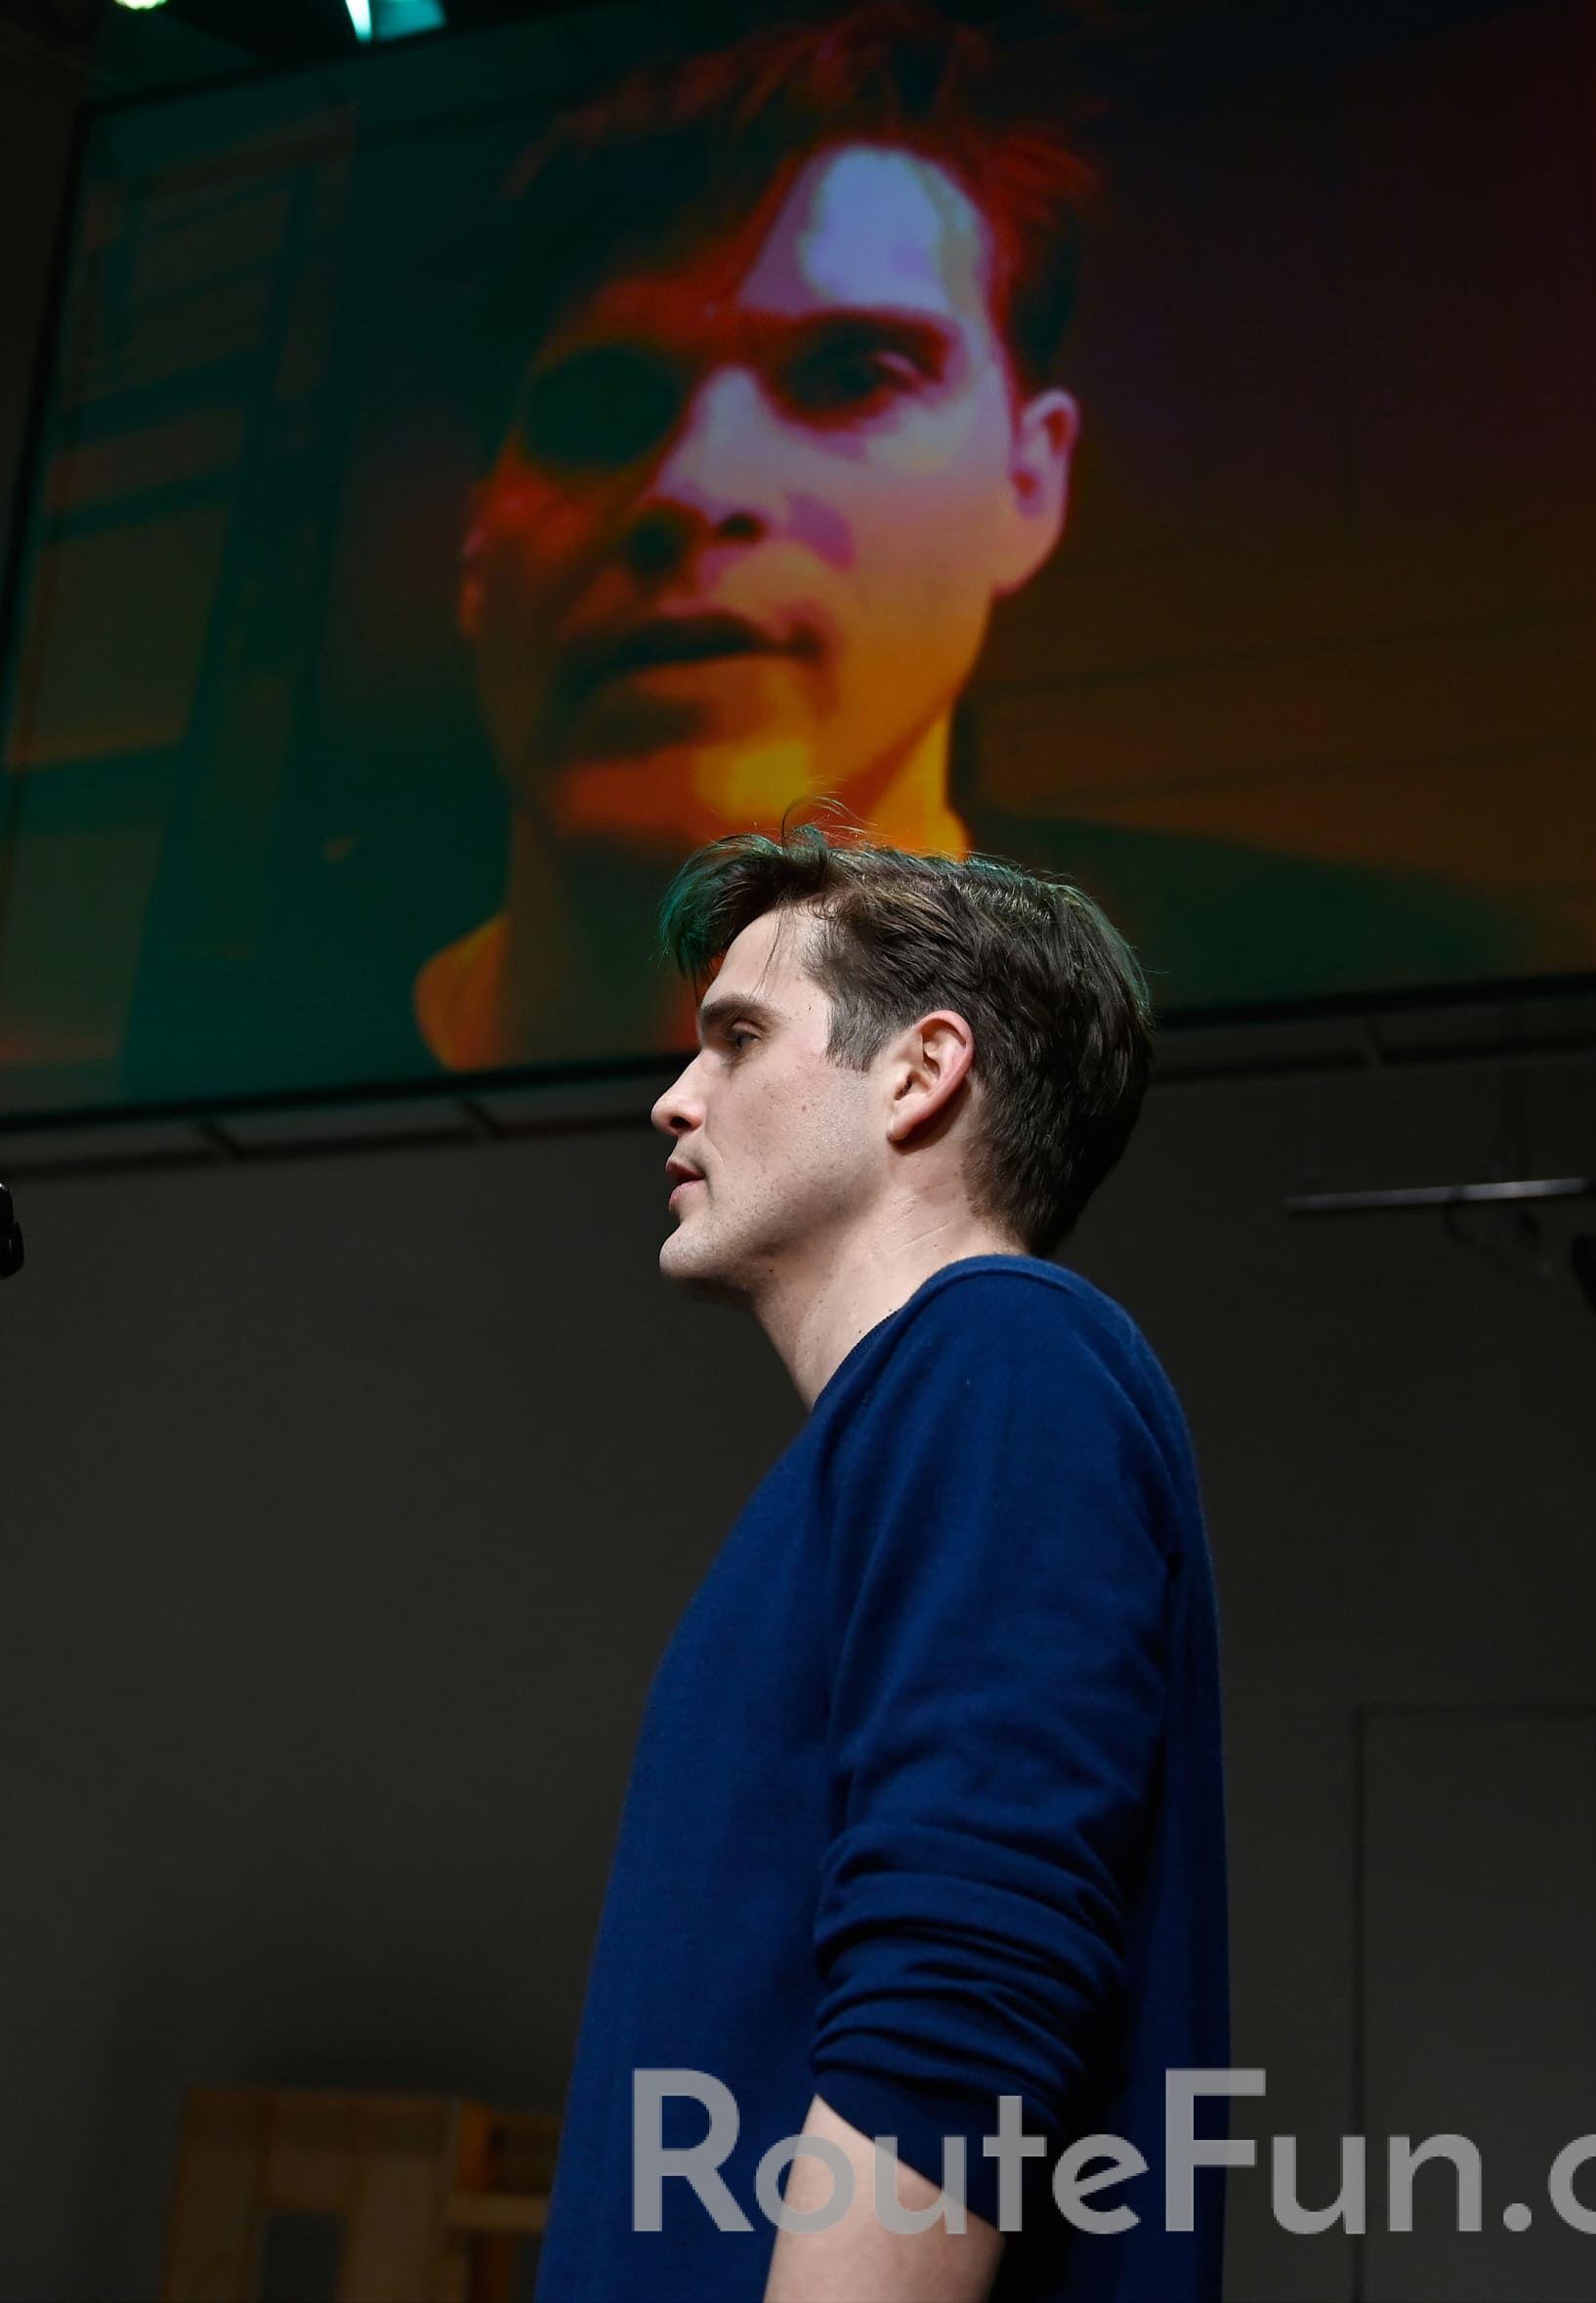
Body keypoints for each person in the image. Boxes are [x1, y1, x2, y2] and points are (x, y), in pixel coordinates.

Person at [417, 3, 1530, 1069]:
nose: (691, 486)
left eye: (853, 376)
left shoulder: (1411, 980)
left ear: (1029, 479)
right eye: (598, 409)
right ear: (476, 542)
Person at [534, 830, 1228, 2300]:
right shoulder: (914, 1415)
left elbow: (961, 1993)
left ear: (920, 1071)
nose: (674, 1097)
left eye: (737, 1038)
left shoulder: (1005, 1354)